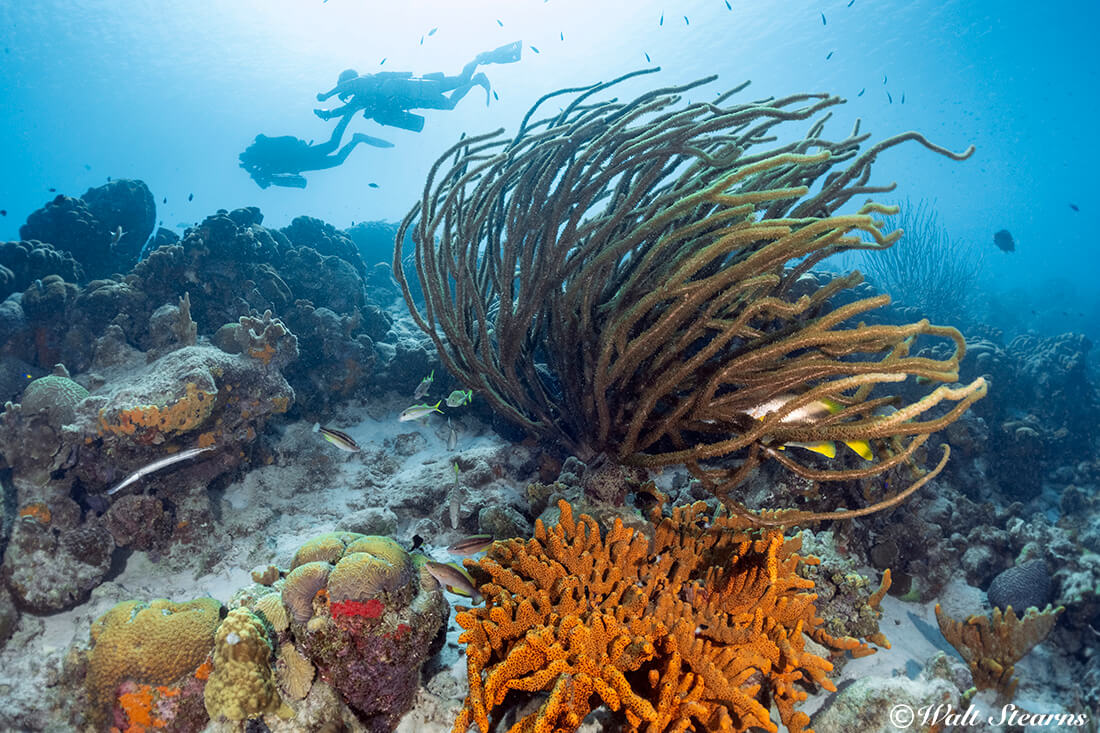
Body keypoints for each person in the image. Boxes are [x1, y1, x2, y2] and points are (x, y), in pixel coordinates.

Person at [314, 41, 522, 133]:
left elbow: (349, 88)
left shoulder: (365, 82)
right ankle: (477, 76)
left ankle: (479, 58)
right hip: (420, 94)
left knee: (458, 81)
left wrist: (326, 96)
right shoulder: (362, 97)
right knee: (452, 99)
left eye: (344, 87)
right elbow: (345, 109)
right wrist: (329, 114)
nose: (346, 92)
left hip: (421, 89)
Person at [238, 111, 393, 189]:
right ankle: (356, 138)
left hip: (302, 157)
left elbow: (288, 147)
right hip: (303, 162)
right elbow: (293, 181)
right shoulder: (265, 168)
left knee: (333, 145)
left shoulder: (265, 163)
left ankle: (348, 115)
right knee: (337, 158)